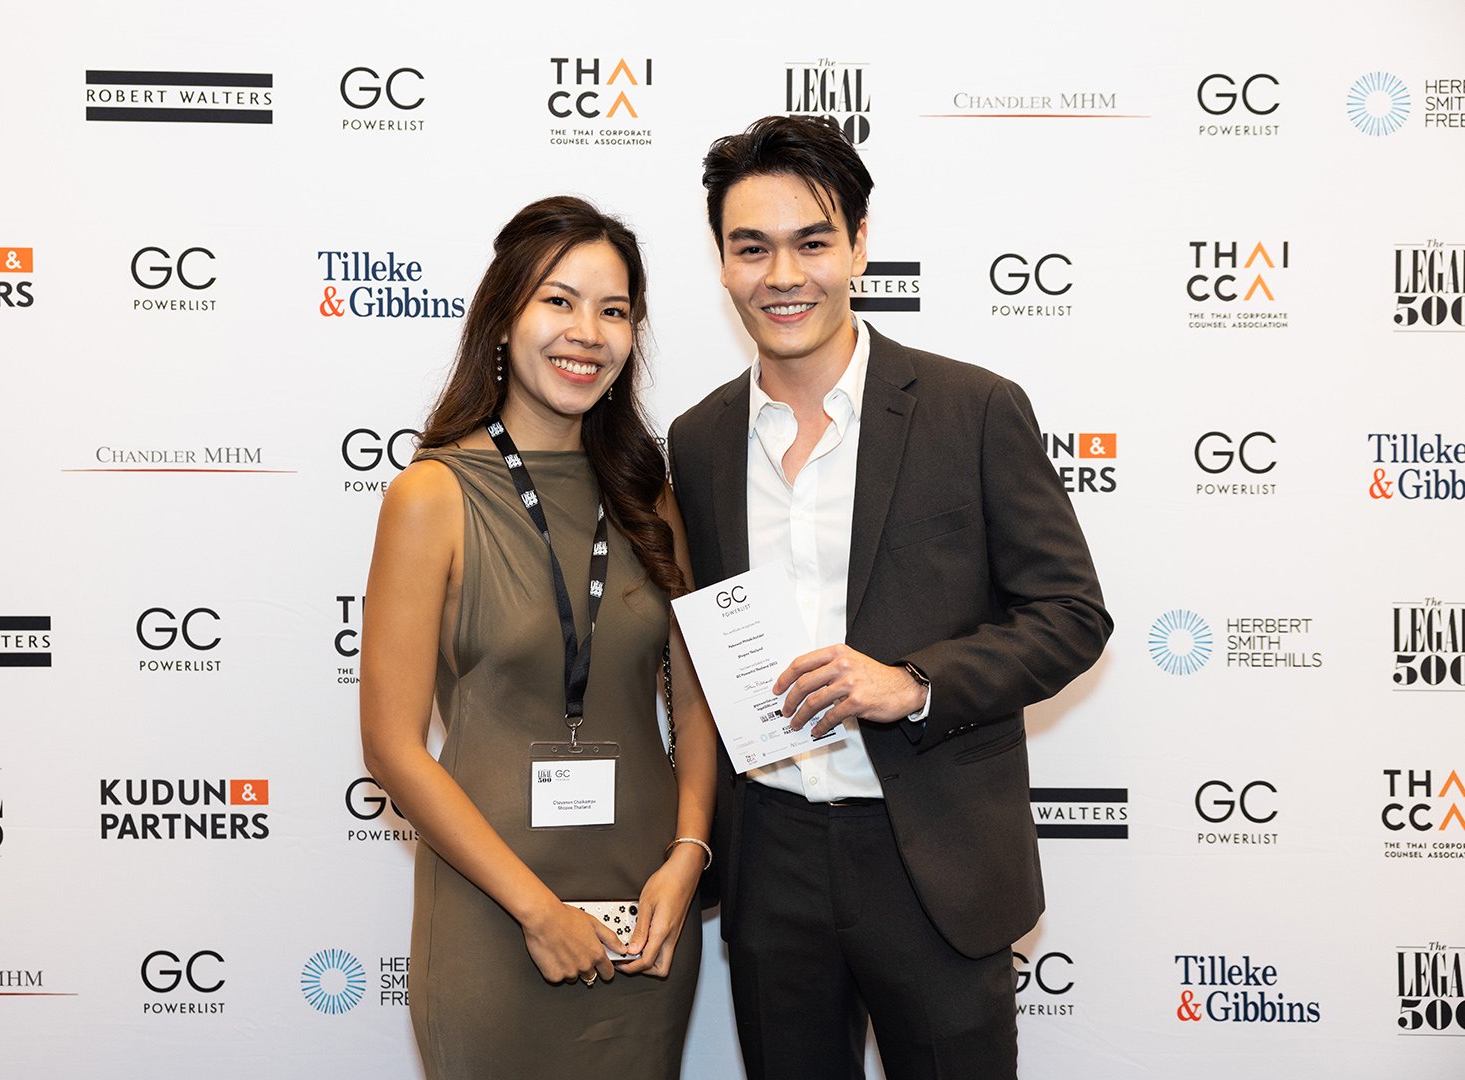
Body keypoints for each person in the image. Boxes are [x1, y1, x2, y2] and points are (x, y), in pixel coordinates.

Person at [667, 116, 1112, 1080]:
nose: (783, 275)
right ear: (722, 263)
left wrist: (913, 683)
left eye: (812, 242)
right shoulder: (696, 441)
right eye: (752, 248)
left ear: (859, 246)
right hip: (770, 856)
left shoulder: (971, 409)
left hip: (933, 856)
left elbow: (1071, 616)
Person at [360, 196, 715, 1080]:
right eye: (559, 300)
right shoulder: (431, 495)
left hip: (646, 906)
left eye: (614, 310)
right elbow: (392, 749)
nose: (586, 332)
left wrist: (688, 857)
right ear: (503, 317)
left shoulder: (646, 495)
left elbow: (696, 698)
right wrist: (537, 909)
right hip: (493, 908)